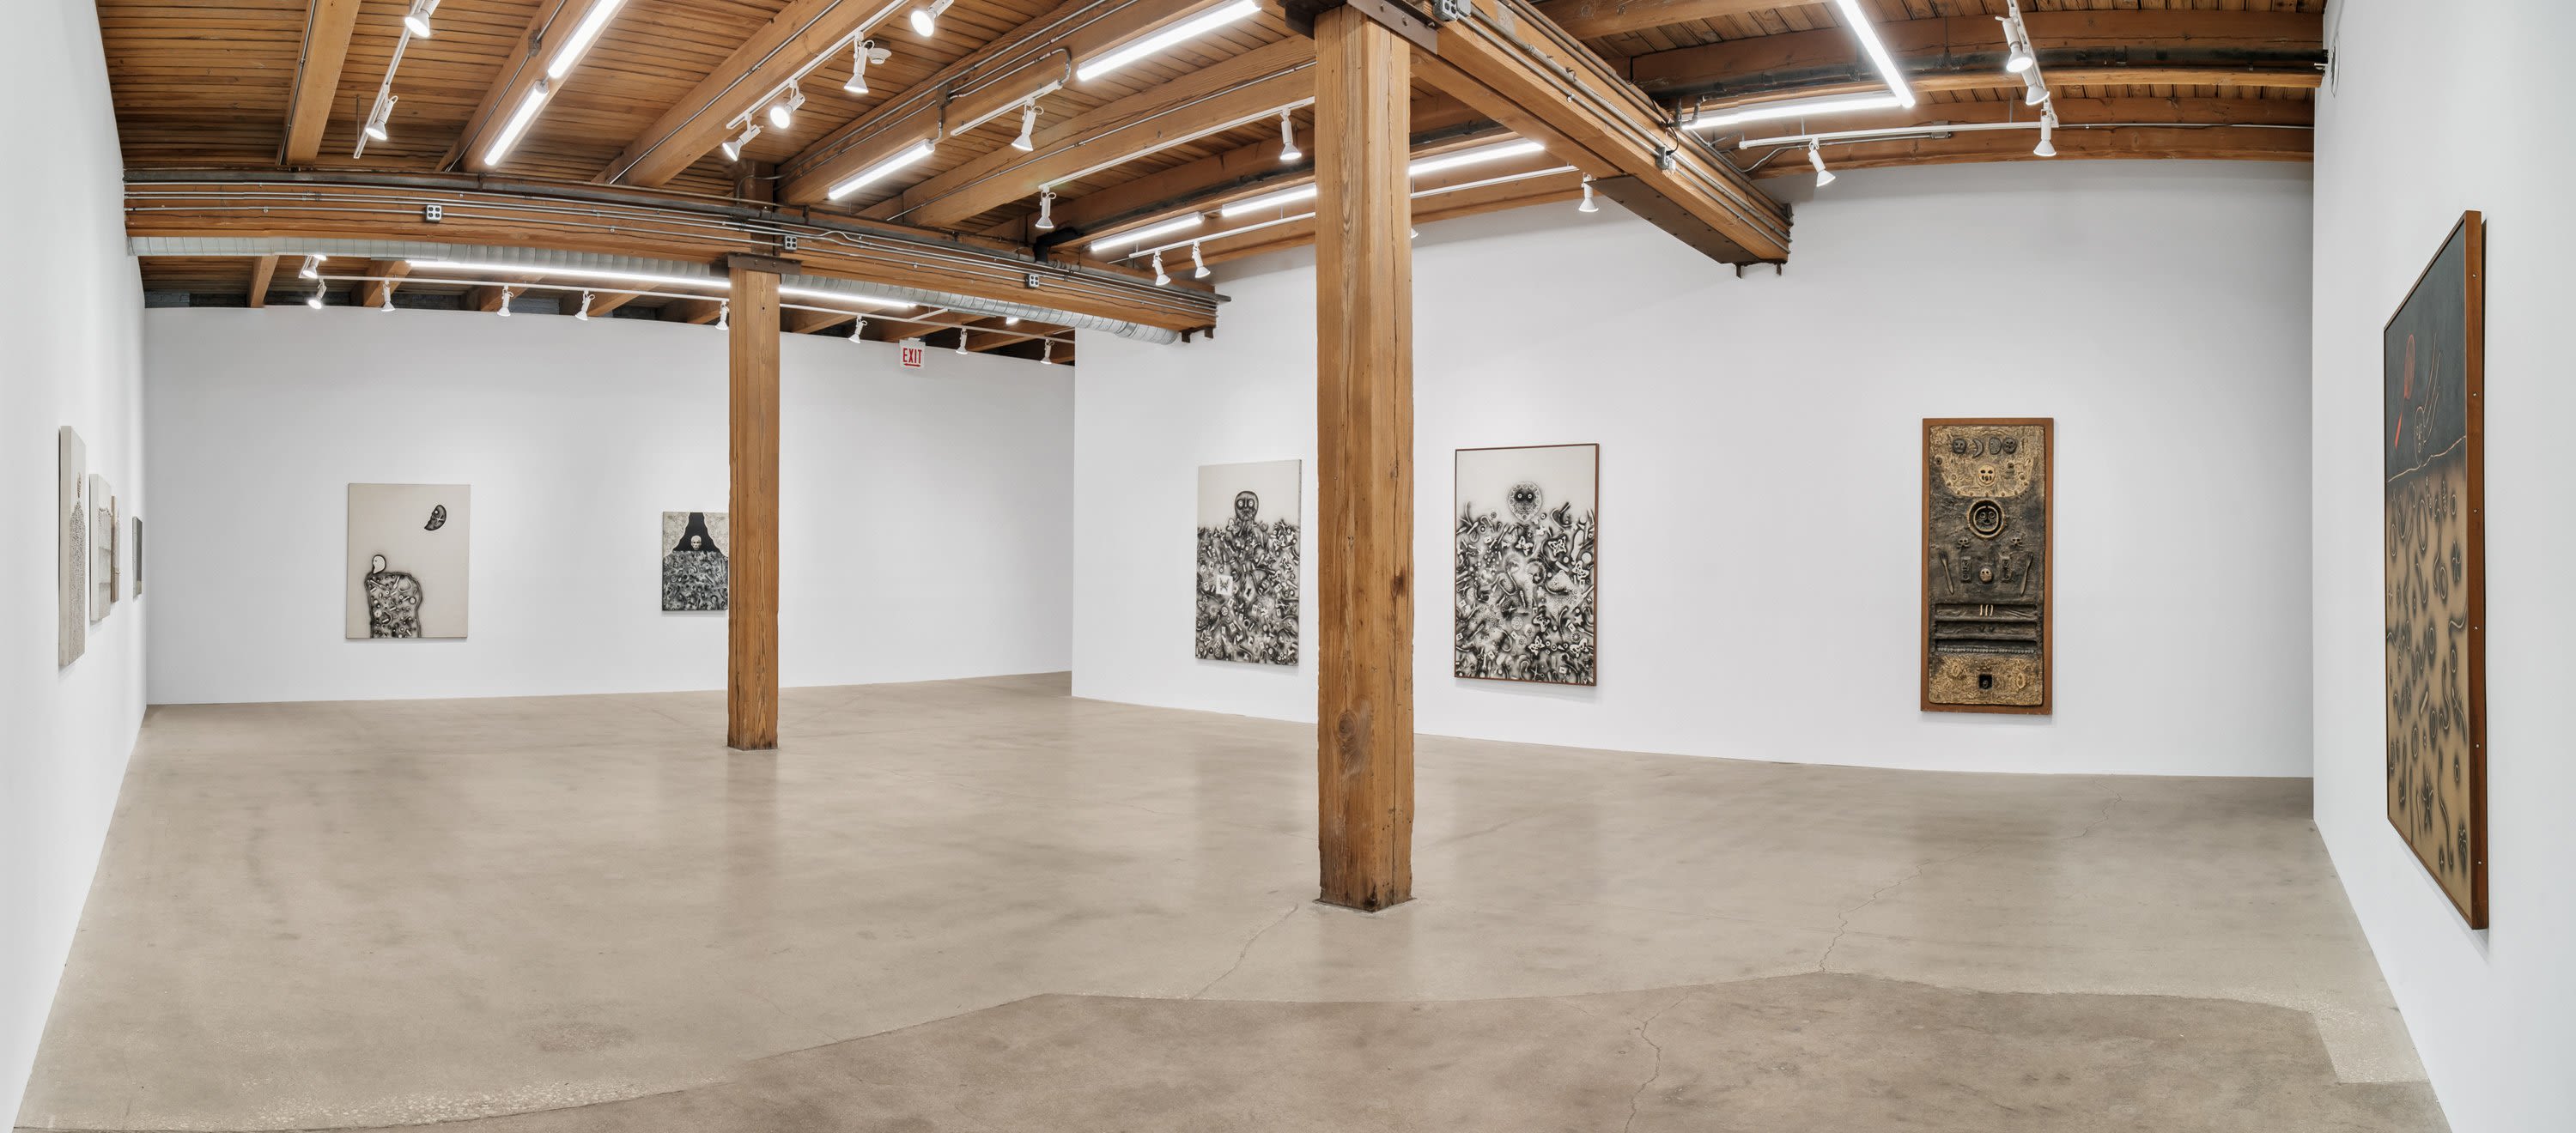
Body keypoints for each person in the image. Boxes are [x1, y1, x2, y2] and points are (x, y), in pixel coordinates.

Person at [364, 553, 424, 638]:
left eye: (375, 561)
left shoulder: (373, 581)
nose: (373, 563)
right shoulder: (372, 581)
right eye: (374, 561)